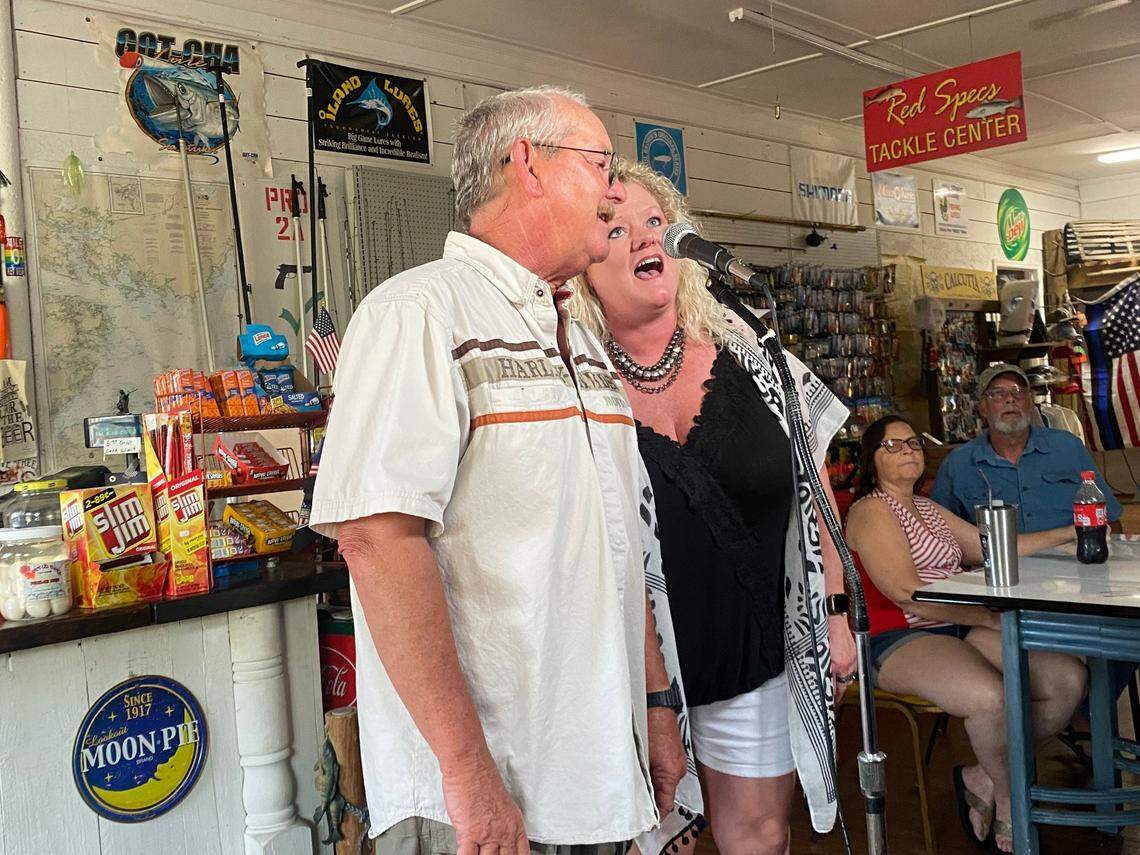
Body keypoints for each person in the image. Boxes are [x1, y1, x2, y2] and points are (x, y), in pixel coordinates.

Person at [310, 87, 691, 855]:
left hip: (594, 771)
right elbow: (378, 541)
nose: (617, 189)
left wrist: (653, 704)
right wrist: (468, 772)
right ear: (529, 164)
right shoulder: (417, 313)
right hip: (483, 796)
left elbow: (615, 541)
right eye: (600, 164)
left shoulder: (578, 337)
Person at [568, 159, 856, 855]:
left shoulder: (751, 347)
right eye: (615, 229)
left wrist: (839, 612)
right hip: (631, 673)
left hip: (752, 651)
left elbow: (814, 485)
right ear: (581, 265)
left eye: (654, 224)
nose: (643, 240)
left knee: (758, 836)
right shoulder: (570, 378)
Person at [846, 414, 1086, 853]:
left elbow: (995, 546)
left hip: (957, 624)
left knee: (1065, 680)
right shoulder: (871, 510)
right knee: (988, 697)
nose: (908, 451)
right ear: (871, 460)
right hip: (898, 635)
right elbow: (905, 594)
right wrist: (984, 619)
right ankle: (1014, 805)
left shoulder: (927, 508)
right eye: (893, 445)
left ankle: (983, 775)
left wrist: (1073, 531)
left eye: (914, 443)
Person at [931, 362, 1122, 531]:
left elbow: (1110, 518)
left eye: (1019, 392)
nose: (1010, 399)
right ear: (982, 408)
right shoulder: (958, 464)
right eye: (997, 394)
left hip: (1074, 564)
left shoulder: (1068, 448)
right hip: (996, 569)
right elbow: (940, 536)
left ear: (1030, 403)